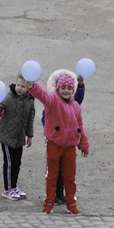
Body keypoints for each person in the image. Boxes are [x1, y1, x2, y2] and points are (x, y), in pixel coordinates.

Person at [27, 71, 90, 215]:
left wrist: (83, 143)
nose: (66, 91)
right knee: (52, 175)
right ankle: (49, 203)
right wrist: (33, 86)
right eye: (63, 88)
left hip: (70, 146)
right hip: (54, 144)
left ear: (72, 90)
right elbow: (42, 94)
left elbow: (80, 126)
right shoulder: (52, 100)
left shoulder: (76, 106)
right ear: (58, 88)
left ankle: (71, 203)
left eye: (69, 88)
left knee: (70, 176)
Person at [0, 74, 35, 200]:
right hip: (7, 136)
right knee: (9, 163)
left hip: (19, 137)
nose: (19, 88)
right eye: (18, 85)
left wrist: (29, 135)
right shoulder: (9, 97)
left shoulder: (30, 101)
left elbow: (30, 119)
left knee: (17, 163)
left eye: (23, 86)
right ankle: (7, 189)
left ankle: (14, 186)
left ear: (29, 87)